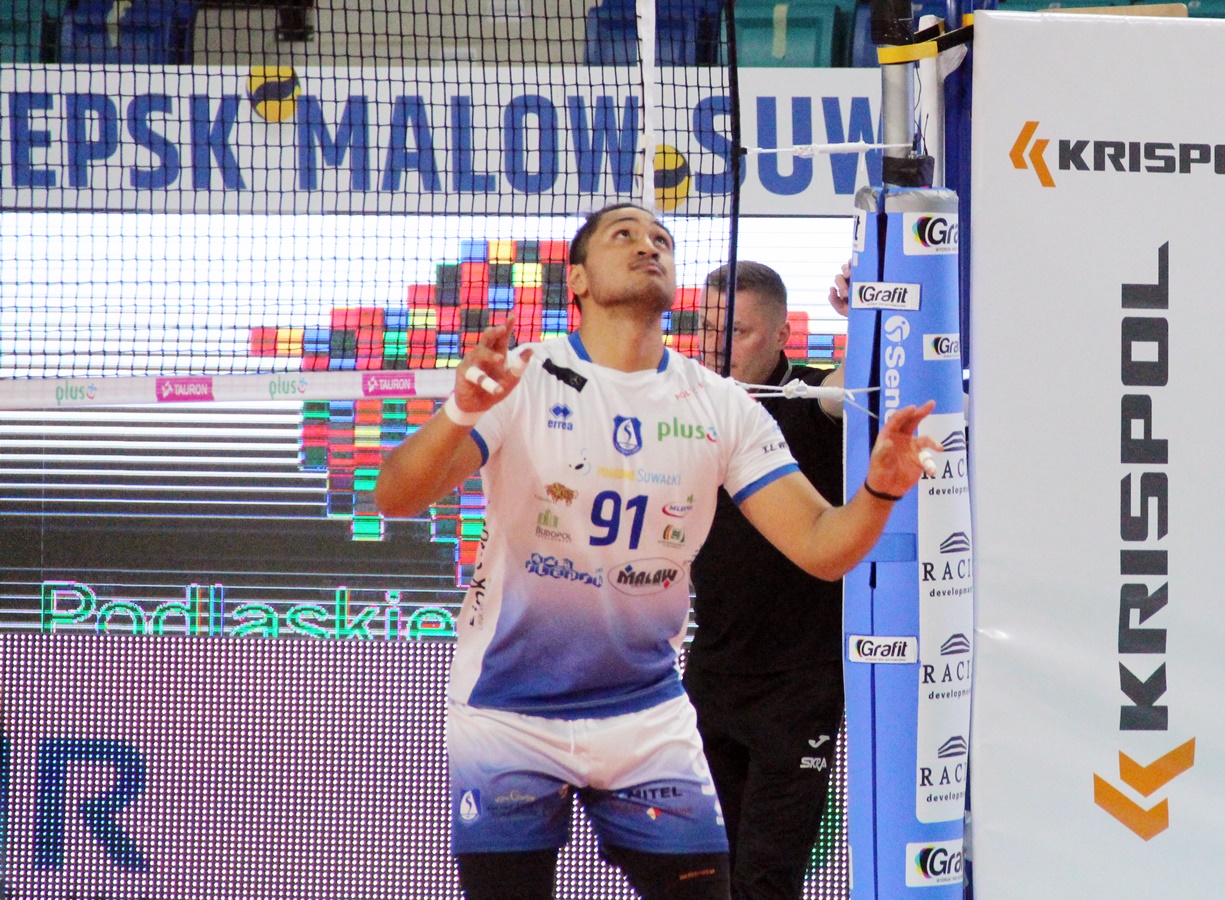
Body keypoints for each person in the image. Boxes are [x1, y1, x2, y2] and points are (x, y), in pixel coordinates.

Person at [373, 203, 935, 900]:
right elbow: (395, 496)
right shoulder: (523, 378)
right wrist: (458, 411)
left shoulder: (721, 405)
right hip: (510, 710)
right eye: (625, 235)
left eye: (661, 239)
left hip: (645, 714)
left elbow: (823, 547)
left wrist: (879, 491)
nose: (648, 245)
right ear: (578, 279)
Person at [686, 261, 851, 900]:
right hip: (711, 678)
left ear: (782, 335)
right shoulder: (686, 404)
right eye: (708, 328)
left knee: (765, 880)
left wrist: (869, 310)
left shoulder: (810, 396)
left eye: (738, 332)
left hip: (798, 688)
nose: (717, 346)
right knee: (706, 878)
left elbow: (857, 382)